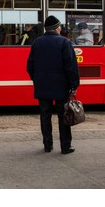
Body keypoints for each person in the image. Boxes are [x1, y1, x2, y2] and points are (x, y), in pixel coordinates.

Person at [27, 15, 80, 154]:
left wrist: (37, 79)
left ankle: (47, 145)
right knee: (63, 116)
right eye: (60, 26)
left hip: (42, 86)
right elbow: (71, 66)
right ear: (57, 28)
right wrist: (74, 85)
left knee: (45, 116)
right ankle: (65, 146)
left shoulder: (37, 42)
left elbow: (29, 66)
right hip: (61, 87)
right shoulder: (64, 42)